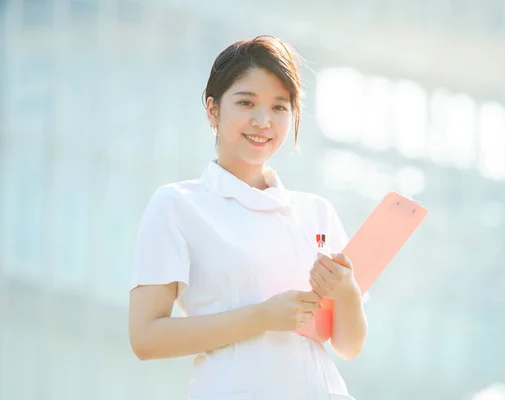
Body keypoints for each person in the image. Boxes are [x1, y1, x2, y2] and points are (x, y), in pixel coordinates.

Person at [128, 35, 369, 400]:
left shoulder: (315, 212)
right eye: (246, 102)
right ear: (212, 109)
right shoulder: (178, 205)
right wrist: (263, 317)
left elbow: (348, 347)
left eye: (279, 107)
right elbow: (146, 338)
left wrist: (347, 293)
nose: (263, 121)